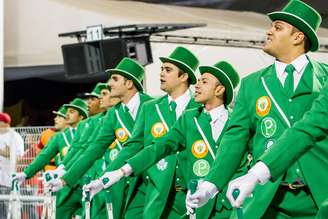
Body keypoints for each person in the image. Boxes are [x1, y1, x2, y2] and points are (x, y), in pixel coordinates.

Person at [186, 0, 328, 218]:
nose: (269, 31)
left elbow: (312, 126)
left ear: (298, 37)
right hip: (268, 199)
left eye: (277, 27)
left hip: (319, 196)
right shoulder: (252, 84)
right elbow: (235, 139)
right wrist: (211, 184)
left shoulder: (325, 77)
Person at [86, 60, 240, 219]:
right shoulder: (190, 118)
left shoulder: (236, 119)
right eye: (198, 80)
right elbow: (160, 146)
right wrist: (120, 172)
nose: (197, 85)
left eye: (204, 81)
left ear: (220, 89)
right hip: (181, 198)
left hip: (228, 203)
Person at [86, 46, 200, 218]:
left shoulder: (200, 107)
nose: (161, 73)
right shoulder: (150, 108)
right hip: (155, 190)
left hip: (191, 193)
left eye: (168, 70)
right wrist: (109, 175)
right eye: (161, 69)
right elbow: (133, 145)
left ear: (184, 76)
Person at [46, 57, 153, 218]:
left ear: (129, 83)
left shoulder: (153, 105)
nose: (110, 83)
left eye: (115, 79)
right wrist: (65, 180)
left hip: (153, 179)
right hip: (125, 179)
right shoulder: (114, 113)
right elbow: (94, 149)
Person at [0, 112, 24, 219]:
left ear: (4, 123)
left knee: (8, 209)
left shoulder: (14, 136)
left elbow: (19, 158)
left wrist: (5, 152)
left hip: (7, 178)